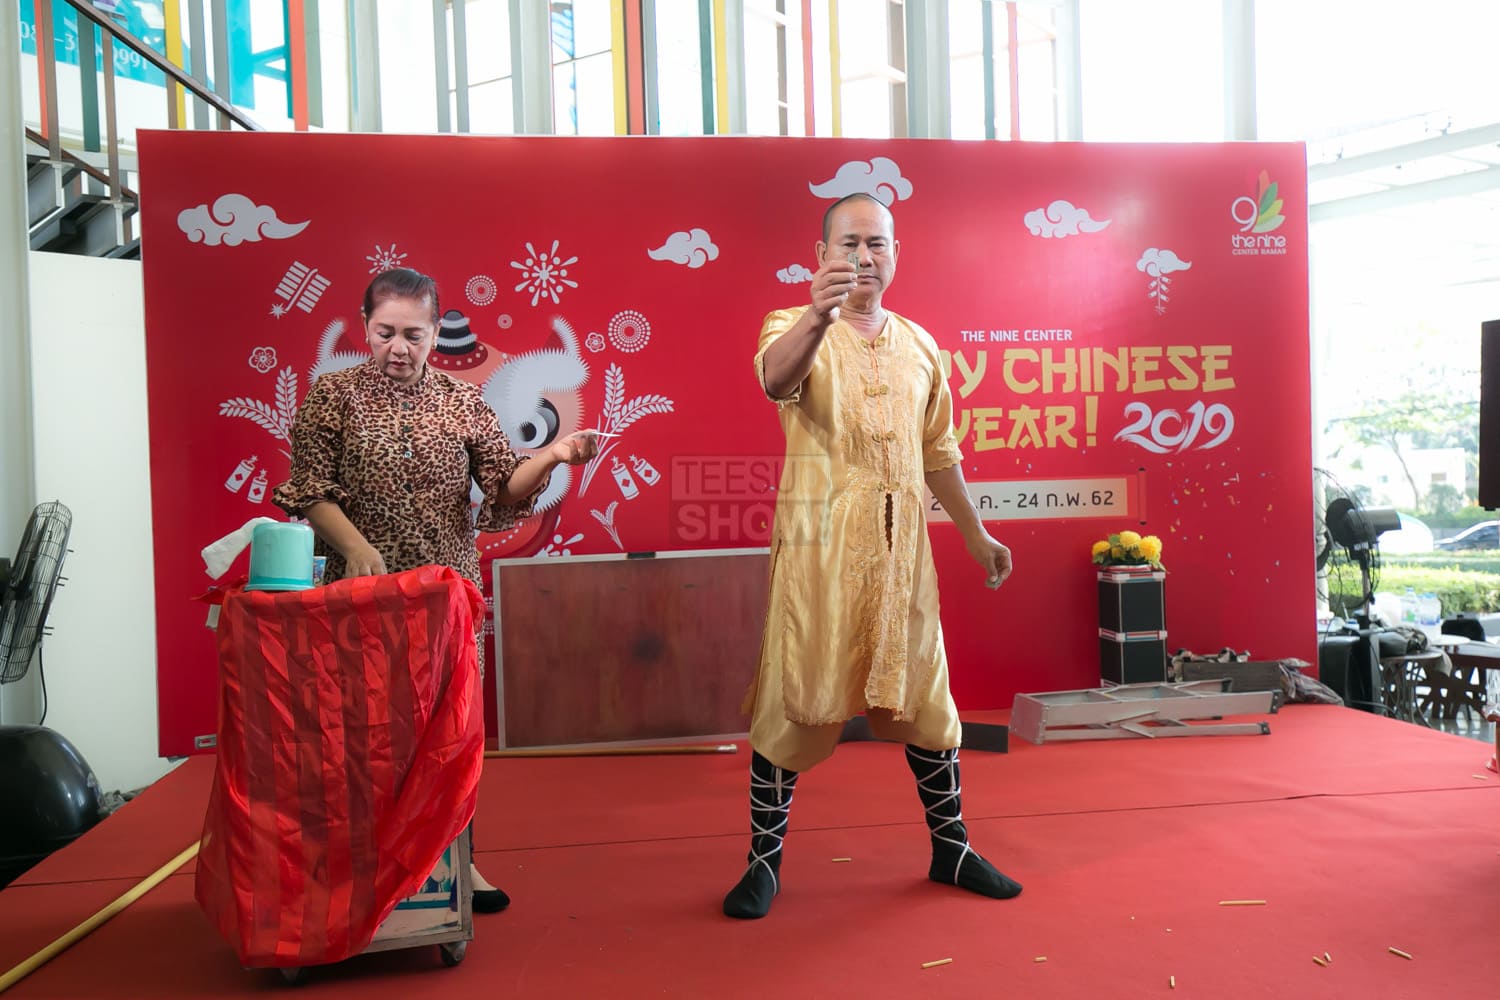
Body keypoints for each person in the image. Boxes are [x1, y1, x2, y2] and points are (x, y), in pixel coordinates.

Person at [723, 193, 1022, 920]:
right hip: (819, 557)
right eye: (849, 243)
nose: (863, 256)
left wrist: (976, 533)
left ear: (895, 254)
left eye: (877, 243)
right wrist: (818, 316)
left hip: (903, 560)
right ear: (821, 254)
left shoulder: (920, 345)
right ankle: (763, 863)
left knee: (930, 702)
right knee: (794, 700)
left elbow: (938, 451)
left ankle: (951, 848)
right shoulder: (791, 326)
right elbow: (775, 381)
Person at [274, 267, 598, 914]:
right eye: (385, 332)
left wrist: (554, 456)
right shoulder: (332, 395)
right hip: (361, 595)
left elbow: (504, 487)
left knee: (447, 736)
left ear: (433, 332)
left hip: (446, 595)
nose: (398, 347)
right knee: (366, 735)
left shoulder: (462, 400)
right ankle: (370, 866)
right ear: (365, 326)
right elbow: (308, 488)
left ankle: (456, 861)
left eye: (413, 335)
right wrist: (356, 548)